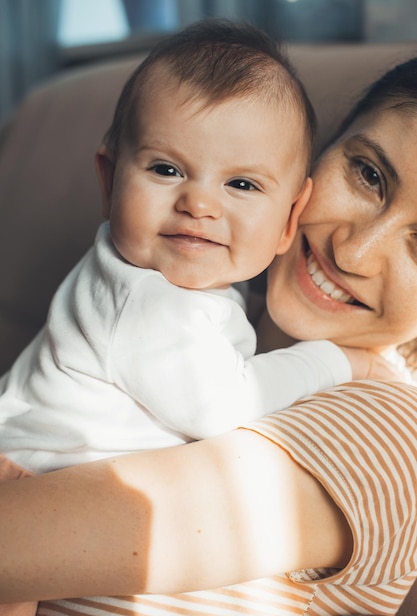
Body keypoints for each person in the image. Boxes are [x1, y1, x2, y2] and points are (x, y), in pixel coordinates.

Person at [2, 43, 417, 616]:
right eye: (369, 174)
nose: (354, 251)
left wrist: (337, 360)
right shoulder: (186, 295)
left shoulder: (389, 430)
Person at [0, 19, 387, 479]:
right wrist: (340, 360)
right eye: (166, 170)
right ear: (109, 181)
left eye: (241, 184)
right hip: (36, 484)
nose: (199, 204)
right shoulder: (147, 301)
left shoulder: (159, 278)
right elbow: (227, 407)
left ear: (289, 218)